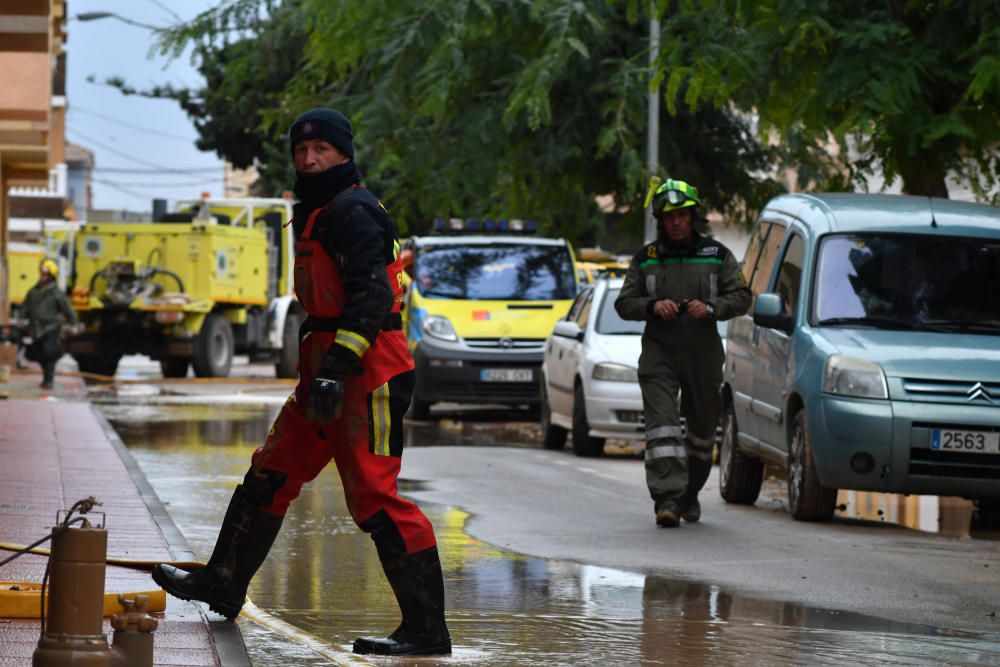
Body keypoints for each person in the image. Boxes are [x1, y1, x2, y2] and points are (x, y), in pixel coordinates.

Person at [152, 108, 451, 656]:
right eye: (302, 151)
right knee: (269, 474)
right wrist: (324, 373)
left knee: (376, 500)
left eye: (322, 151)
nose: (310, 160)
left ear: (343, 154)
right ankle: (223, 583)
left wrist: (337, 369)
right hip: (327, 374)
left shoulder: (355, 211)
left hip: (370, 375)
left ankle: (427, 631)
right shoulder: (316, 210)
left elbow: (373, 299)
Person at [615, 179, 751, 528]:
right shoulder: (646, 259)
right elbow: (624, 303)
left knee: (703, 433)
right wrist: (651, 305)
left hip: (703, 354)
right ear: (661, 220)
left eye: (683, 216)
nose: (677, 222)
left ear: (693, 217)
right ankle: (668, 500)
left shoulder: (717, 255)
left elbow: (742, 297)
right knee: (663, 429)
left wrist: (711, 308)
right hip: (659, 353)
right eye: (670, 216)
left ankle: (690, 495)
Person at [23, 259, 77, 390]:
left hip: (51, 328)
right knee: (38, 354)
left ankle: (49, 380)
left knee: (49, 353)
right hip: (36, 328)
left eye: (46, 274)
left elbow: (67, 309)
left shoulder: (57, 293)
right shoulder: (34, 291)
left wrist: (73, 323)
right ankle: (46, 378)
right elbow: (26, 306)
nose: (43, 277)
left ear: (52, 276)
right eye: (42, 274)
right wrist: (23, 319)